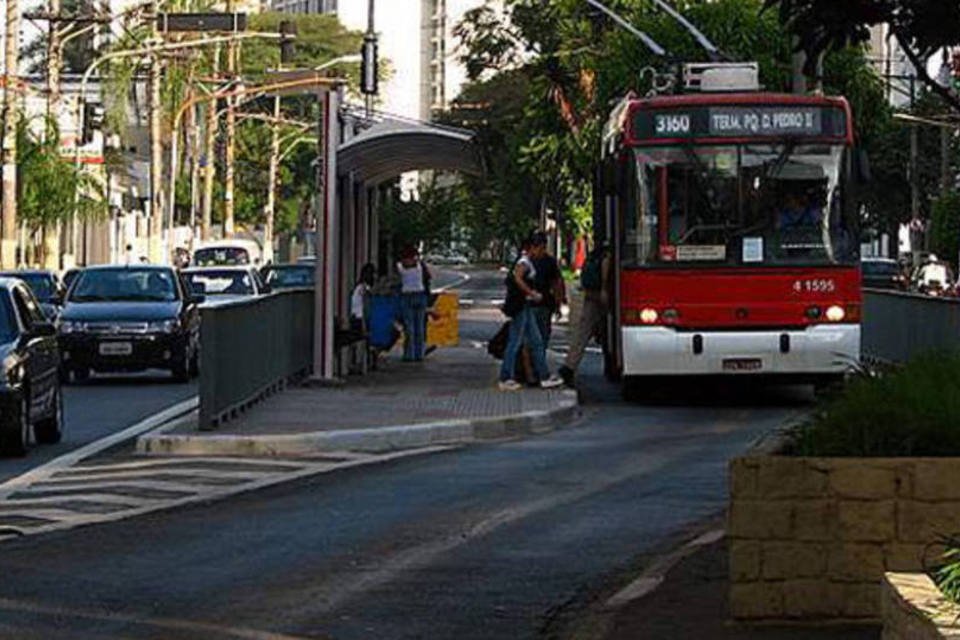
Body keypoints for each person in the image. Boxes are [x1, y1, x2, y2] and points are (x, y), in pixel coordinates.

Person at [499, 238, 564, 391]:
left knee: (536, 342)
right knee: (515, 341)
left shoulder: (526, 261)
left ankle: (544, 376)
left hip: (526, 306)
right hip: (521, 306)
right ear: (532, 248)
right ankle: (505, 377)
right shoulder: (524, 262)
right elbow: (517, 279)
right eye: (540, 249)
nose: (542, 252)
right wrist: (532, 293)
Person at [558, 241, 612, 387]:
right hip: (602, 297)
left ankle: (569, 366)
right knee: (601, 332)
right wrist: (604, 289)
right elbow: (606, 269)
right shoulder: (608, 255)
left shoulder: (595, 253)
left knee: (583, 332)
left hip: (590, 295)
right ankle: (610, 364)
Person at [529, 232, 565, 350]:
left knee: (533, 338)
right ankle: (537, 364)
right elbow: (557, 284)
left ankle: (535, 363)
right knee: (540, 337)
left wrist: (558, 304)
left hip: (539, 305)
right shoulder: (550, 261)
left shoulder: (525, 261)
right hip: (537, 305)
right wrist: (558, 304)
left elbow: (557, 285)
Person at [396, 246, 430, 362]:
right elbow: (427, 279)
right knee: (419, 326)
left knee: (409, 327)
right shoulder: (420, 266)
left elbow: (396, 282)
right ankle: (419, 354)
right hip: (420, 295)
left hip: (406, 296)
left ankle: (409, 354)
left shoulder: (400, 267)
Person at [350, 263, 376, 332]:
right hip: (360, 319)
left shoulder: (360, 286)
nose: (374, 276)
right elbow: (365, 305)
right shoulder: (363, 287)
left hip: (357, 318)